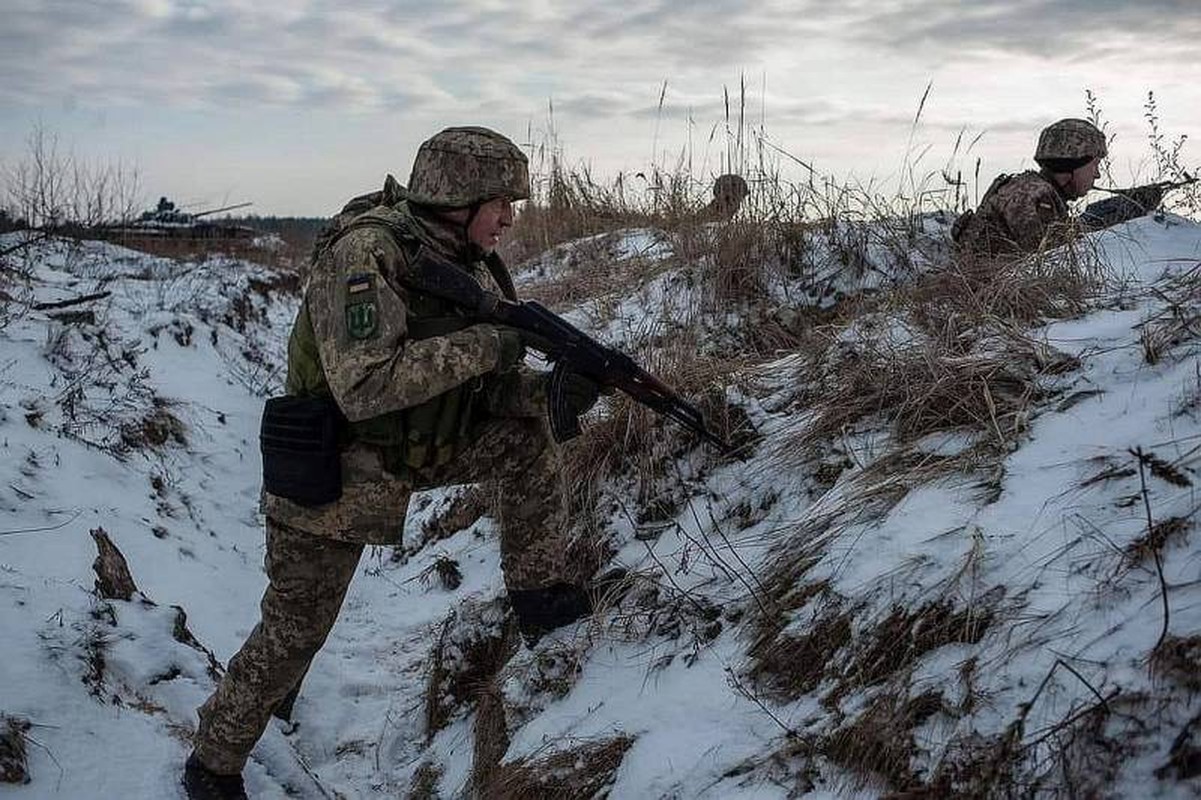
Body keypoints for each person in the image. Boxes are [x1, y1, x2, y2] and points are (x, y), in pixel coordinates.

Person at [183, 126, 602, 800]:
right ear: (460, 194)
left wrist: (550, 393)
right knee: (295, 630)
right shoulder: (365, 253)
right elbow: (366, 385)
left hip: (412, 452)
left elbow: (483, 386)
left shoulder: (466, 260)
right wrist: (490, 345)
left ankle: (538, 594)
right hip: (335, 468)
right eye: (502, 201)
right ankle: (214, 762)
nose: (511, 217)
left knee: (526, 442)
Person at [952, 118, 1170, 259]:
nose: (1098, 174)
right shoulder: (1035, 196)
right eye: (1094, 164)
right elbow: (1053, 260)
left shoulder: (1027, 188)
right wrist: (1117, 214)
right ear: (1072, 163)